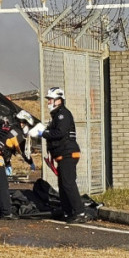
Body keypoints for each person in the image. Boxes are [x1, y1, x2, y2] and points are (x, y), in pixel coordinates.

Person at [30, 87, 87, 223]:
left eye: (51, 99)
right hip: (62, 155)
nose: (48, 102)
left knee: (68, 184)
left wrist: (42, 133)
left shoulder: (63, 114)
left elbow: (59, 133)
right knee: (63, 185)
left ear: (59, 100)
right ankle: (68, 212)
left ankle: (80, 212)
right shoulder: (56, 116)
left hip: (68, 153)